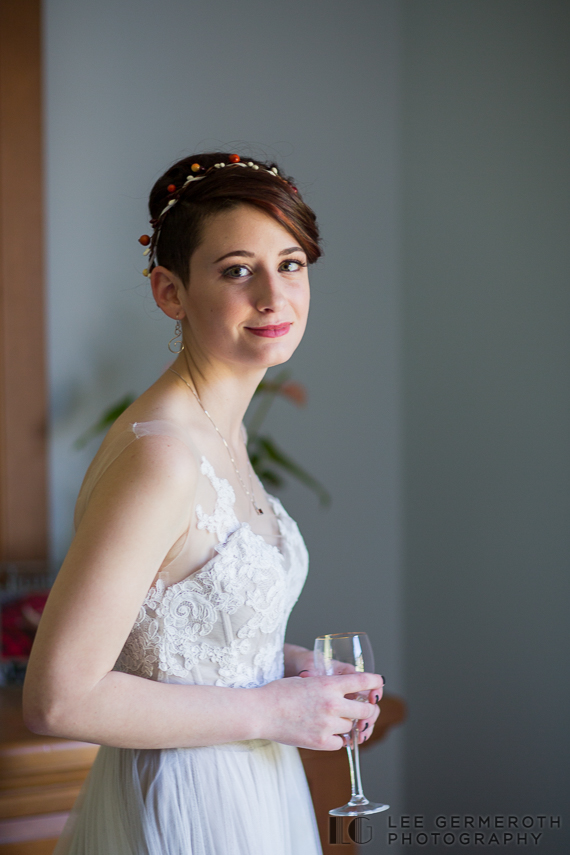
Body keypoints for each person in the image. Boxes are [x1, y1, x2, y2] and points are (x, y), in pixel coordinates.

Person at [23, 152, 384, 855]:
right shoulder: (162, 454)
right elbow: (57, 697)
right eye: (237, 269)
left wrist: (290, 672)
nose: (274, 297)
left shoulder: (222, 427)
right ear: (170, 291)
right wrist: (272, 710)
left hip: (255, 788)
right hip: (188, 804)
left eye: (291, 264)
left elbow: (173, 644)